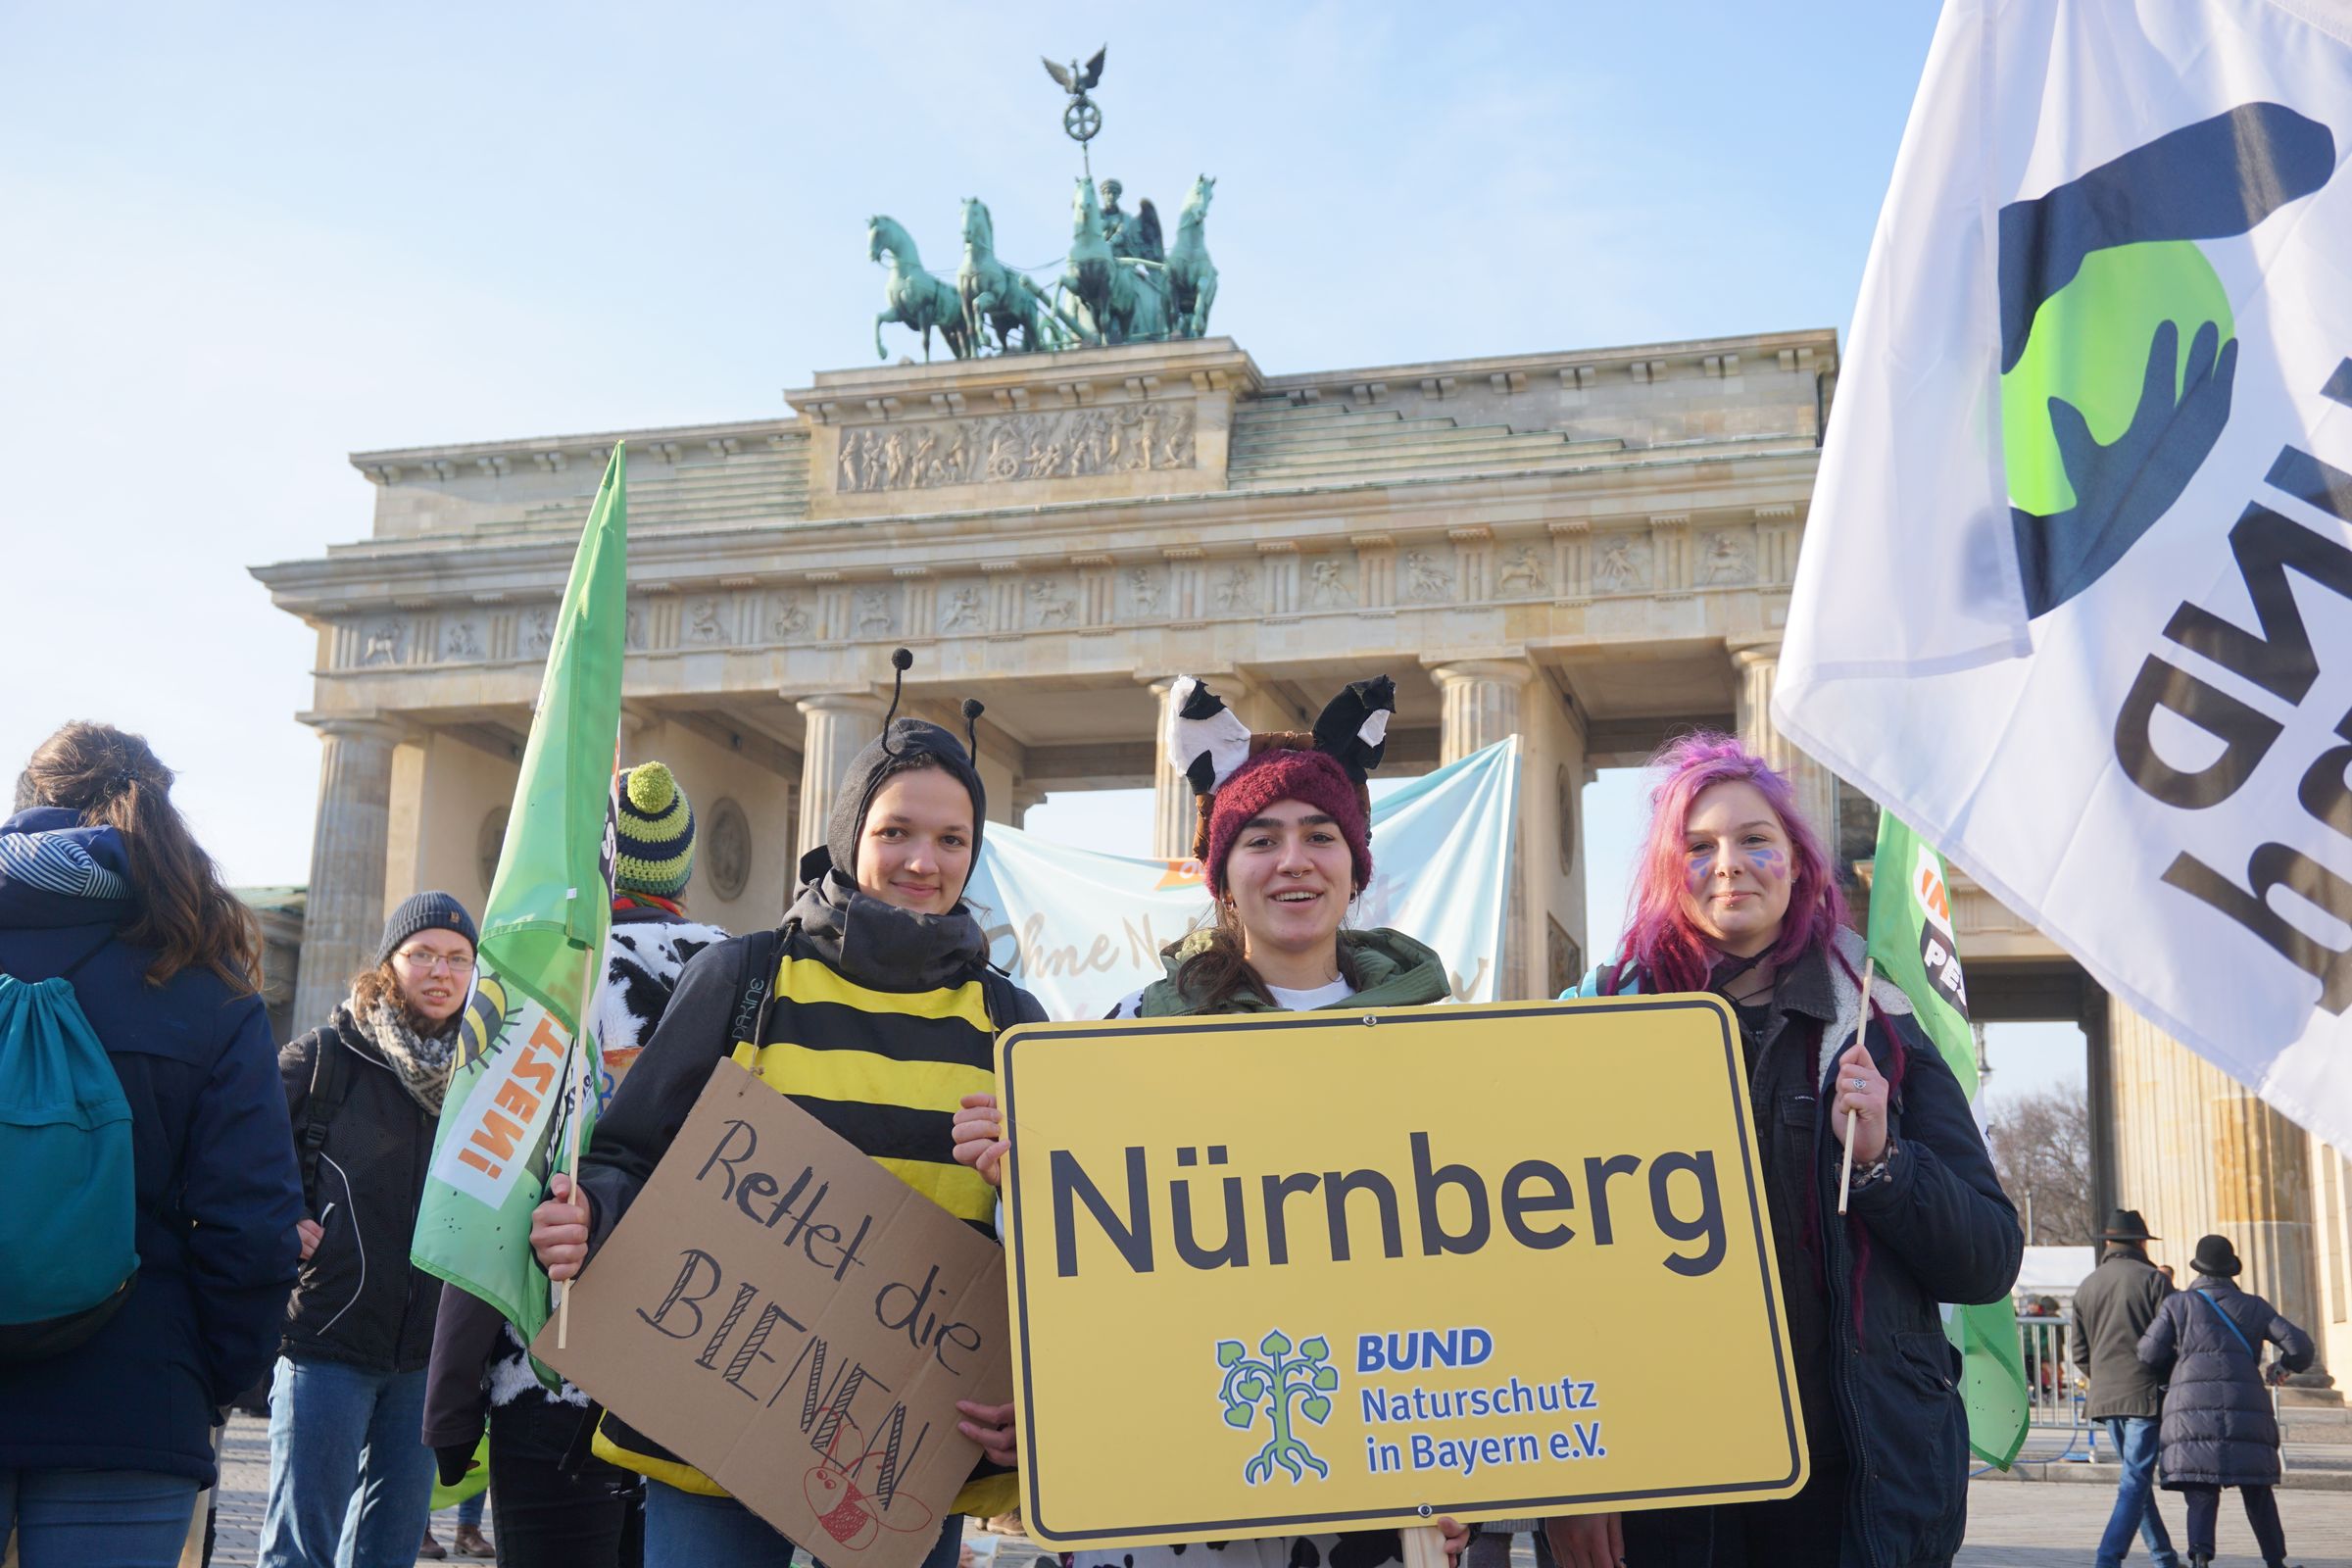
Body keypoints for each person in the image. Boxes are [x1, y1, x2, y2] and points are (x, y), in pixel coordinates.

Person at [529, 662, 1042, 1568]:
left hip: (909, 1440)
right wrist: (591, 1217)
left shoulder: (1012, 1022)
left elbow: (1064, 1243)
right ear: (849, 833)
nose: (925, 861)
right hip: (714, 1417)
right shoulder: (745, 978)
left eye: (953, 840)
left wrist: (1028, 1187)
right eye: (897, 832)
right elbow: (629, 1154)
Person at [951, 674, 1470, 1568]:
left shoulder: (1446, 1040)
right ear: (1221, 871)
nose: (1293, 860)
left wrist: (1480, 1454)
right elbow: (1075, 1258)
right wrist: (1015, 1175)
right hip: (1167, 1482)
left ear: (1356, 863)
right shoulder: (1129, 1027)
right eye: (1260, 839)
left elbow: (1489, 1263)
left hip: (1377, 1474)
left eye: (1320, 836)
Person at [1550, 733, 2022, 1568]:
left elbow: (1986, 1260)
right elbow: (1543, 1272)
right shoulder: (1595, 1023)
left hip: (1852, 1481)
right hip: (1668, 1479)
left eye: (1754, 840)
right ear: (1667, 870)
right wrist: (1573, 1481)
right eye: (1698, 847)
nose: (1729, 865)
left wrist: (1885, 1165)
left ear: (1798, 864)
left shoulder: (1881, 1023)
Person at [0, 723, 304, 1566]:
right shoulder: (207, 988)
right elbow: (254, 1228)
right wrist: (213, 1377)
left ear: (27, 808)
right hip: (134, 1398)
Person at [422, 760, 727, 1568]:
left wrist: (451, 1401)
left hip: (547, 1373)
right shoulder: (748, 983)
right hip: (706, 1376)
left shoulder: (538, 981)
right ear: (683, 869)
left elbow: (484, 1192)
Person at [261, 890, 479, 1568]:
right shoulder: (328, 1057)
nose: (440, 972)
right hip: (325, 1341)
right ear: (390, 963)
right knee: (301, 1553)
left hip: (426, 1359)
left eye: (458, 958)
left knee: (389, 1555)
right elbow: (233, 1150)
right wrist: (278, 1218)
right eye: (422, 955)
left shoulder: (485, 1077)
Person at [2138, 1233, 2315, 1568]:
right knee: (2258, 1490)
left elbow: (2148, 1353)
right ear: (2231, 1269)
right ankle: (2275, 1562)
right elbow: (2301, 1347)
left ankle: (2201, 1559)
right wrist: (2282, 1367)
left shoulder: (2178, 1304)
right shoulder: (2254, 1306)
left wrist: (2177, 1365)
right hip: (2245, 1405)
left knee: (2202, 1489)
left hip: (2190, 1408)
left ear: (2198, 1268)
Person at [2072, 1207, 2181, 1568]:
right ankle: (2107, 1557)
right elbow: (2172, 1341)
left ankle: (2164, 1558)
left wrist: (2101, 1376)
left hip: (2105, 1397)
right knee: (2134, 1482)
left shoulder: (2088, 1284)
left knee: (2135, 1480)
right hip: (2145, 1394)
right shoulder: (2154, 1281)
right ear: (2139, 1243)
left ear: (2108, 1243)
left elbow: (2079, 1351)